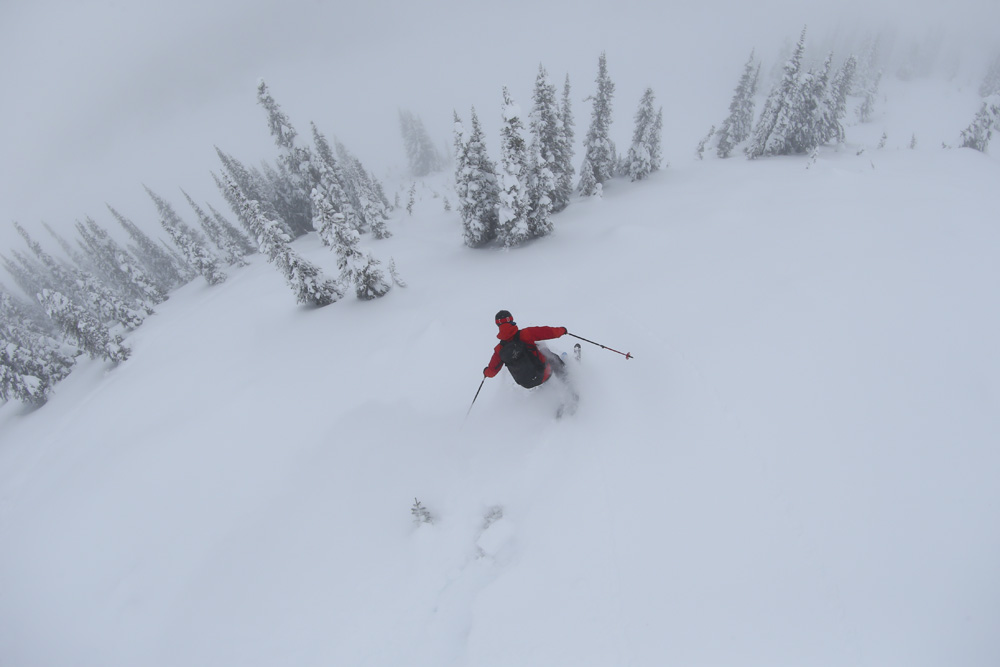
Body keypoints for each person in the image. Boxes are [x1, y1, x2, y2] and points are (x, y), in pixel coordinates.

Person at [483, 310, 569, 389]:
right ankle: (568, 380)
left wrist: (486, 372)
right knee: (546, 352)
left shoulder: (499, 349)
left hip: (526, 383)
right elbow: (549, 332)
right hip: (543, 374)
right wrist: (563, 330)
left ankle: (543, 383)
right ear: (511, 320)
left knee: (538, 349)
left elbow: (491, 372)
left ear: (498, 325)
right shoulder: (525, 334)